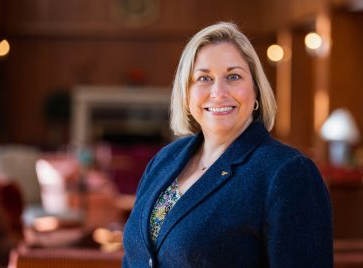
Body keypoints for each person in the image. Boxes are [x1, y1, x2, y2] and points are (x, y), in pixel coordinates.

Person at [122, 21, 333, 267]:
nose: (218, 91)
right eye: (204, 78)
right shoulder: (165, 159)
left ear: (255, 90)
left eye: (233, 76)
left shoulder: (288, 172)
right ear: (187, 93)